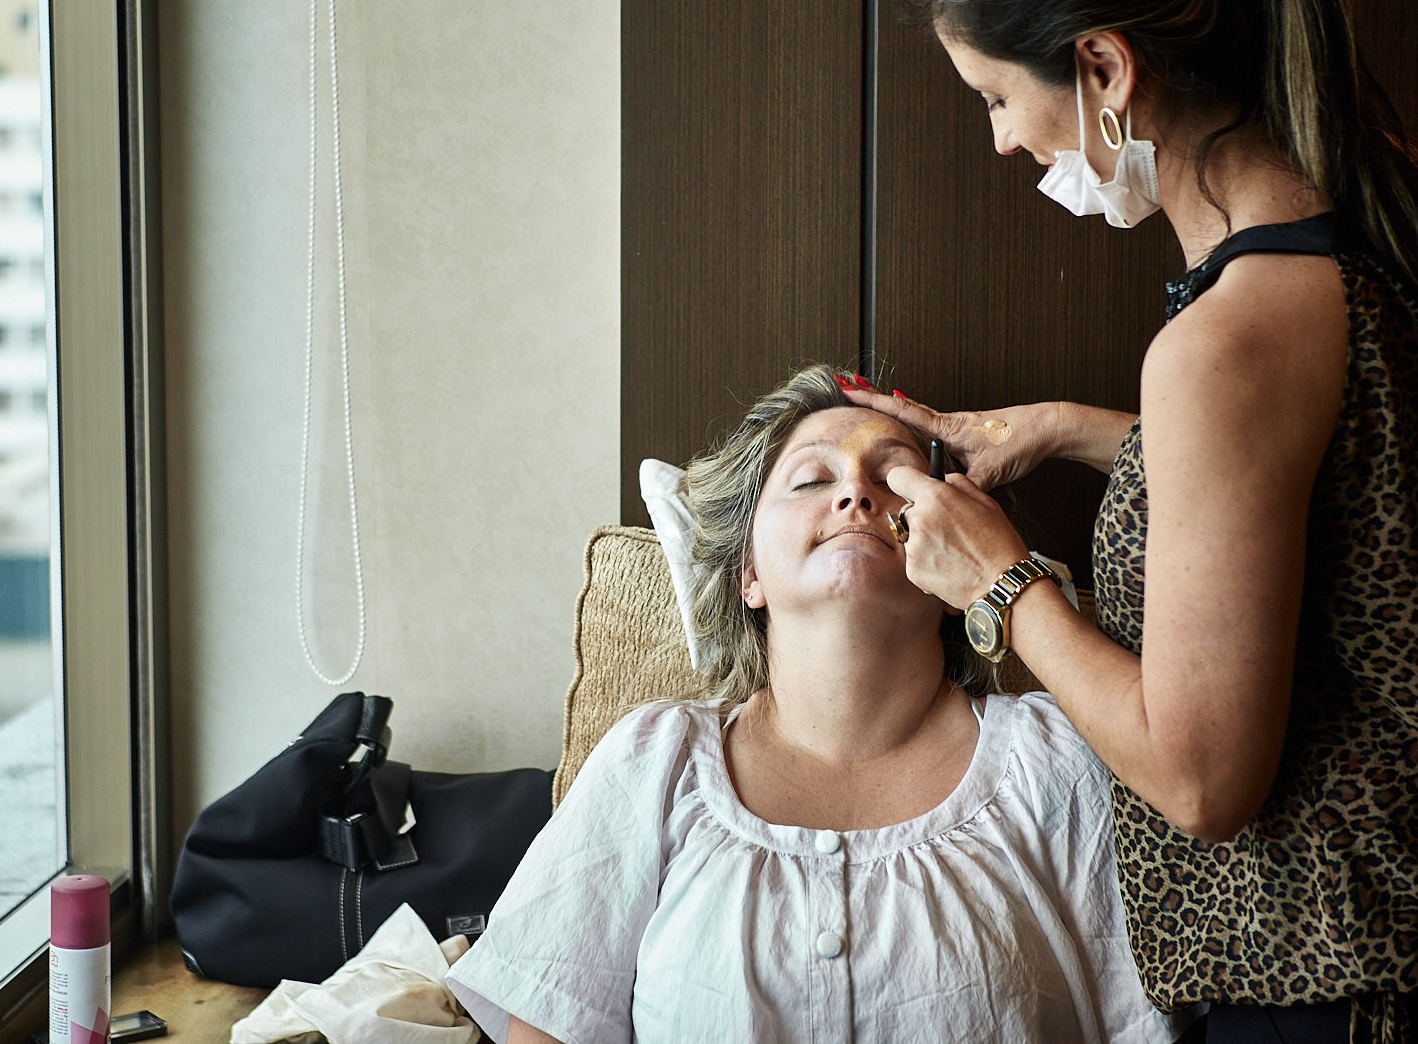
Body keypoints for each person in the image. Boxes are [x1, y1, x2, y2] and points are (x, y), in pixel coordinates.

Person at [843, 0, 1418, 1041]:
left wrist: (998, 585)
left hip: (1365, 984)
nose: (1001, 140)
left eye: (997, 97)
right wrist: (1084, 431)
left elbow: (1203, 781)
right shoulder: (1398, 205)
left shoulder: (1225, 344)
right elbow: (1364, 487)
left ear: (1102, 67)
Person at [445, 364, 1181, 1044]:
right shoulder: (653, 759)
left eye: (894, 474)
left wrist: (1061, 424)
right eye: (808, 480)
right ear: (748, 574)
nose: (856, 494)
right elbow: (545, 1025)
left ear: (959, 550)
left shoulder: (1058, 760)